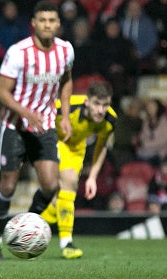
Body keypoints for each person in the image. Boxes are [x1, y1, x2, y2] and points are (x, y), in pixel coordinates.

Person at [0, 0, 74, 261]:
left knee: (50, 185)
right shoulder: (18, 52)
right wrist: (27, 114)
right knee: (8, 184)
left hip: (45, 125)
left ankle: (29, 230)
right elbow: (2, 92)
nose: (48, 25)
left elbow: (67, 80)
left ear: (58, 24)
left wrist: (65, 116)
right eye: (43, 20)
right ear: (34, 24)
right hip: (15, 125)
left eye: (52, 21)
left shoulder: (66, 51)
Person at [40, 81, 117, 258]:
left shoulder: (109, 119)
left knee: (66, 193)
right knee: (70, 181)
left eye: (105, 105)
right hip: (54, 140)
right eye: (97, 104)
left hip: (76, 148)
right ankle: (66, 242)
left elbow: (101, 146)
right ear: (87, 102)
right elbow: (39, 116)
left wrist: (92, 177)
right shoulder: (66, 106)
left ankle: (35, 227)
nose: (101, 110)